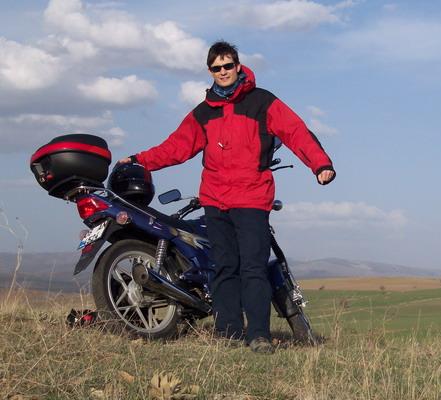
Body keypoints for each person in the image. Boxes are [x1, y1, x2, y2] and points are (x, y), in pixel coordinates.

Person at [119, 41, 335, 354]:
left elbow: (296, 132)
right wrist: (140, 159)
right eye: (216, 68)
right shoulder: (204, 112)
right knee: (223, 268)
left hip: (251, 198)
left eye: (228, 66)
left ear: (238, 66)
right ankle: (228, 334)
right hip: (215, 199)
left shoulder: (263, 102)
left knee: (254, 268)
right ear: (210, 71)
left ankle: (259, 335)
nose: (223, 72)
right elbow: (175, 147)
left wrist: (321, 164)